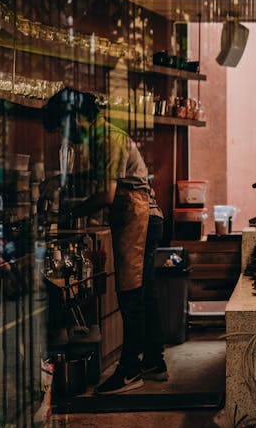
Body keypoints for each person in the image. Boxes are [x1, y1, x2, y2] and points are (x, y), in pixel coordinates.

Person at [43, 88, 166, 394]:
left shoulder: (107, 139)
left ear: (77, 118)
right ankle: (153, 361)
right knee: (144, 293)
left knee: (130, 295)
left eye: (63, 127)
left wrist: (69, 211)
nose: (65, 136)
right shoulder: (103, 137)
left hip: (138, 218)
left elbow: (108, 195)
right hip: (144, 217)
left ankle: (129, 371)